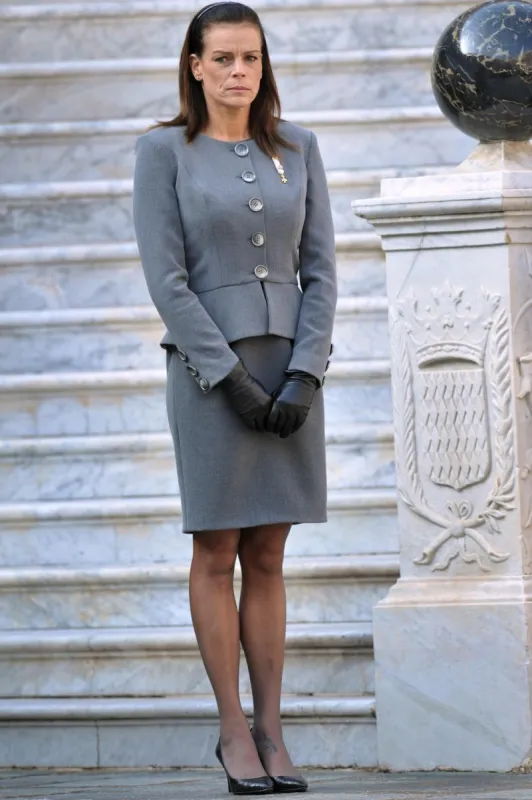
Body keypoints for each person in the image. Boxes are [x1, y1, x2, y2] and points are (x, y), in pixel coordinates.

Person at [132, 1, 337, 794]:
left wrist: (306, 371)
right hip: (208, 377)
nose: (237, 72)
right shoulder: (162, 152)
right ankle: (230, 730)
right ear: (194, 65)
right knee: (217, 552)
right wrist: (233, 380)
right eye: (221, 58)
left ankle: (272, 729)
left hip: (290, 375)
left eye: (249, 58)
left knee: (272, 554)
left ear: (264, 65)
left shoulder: (298, 147)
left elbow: (320, 269)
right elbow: (167, 281)